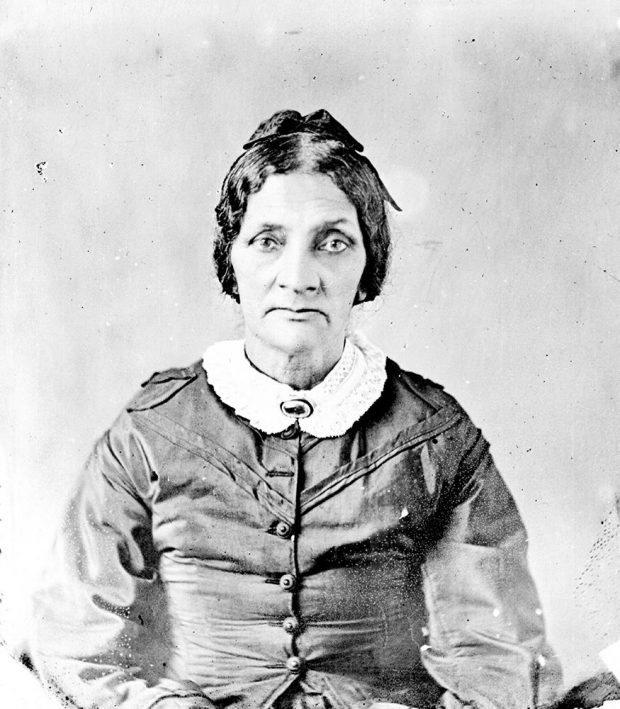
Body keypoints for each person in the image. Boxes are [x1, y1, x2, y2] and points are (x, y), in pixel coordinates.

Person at [29, 109, 561, 709]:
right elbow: (79, 642)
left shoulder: (434, 436)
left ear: (368, 267)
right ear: (232, 259)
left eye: (332, 243)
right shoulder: (152, 431)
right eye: (268, 241)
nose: (299, 276)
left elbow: (498, 652)